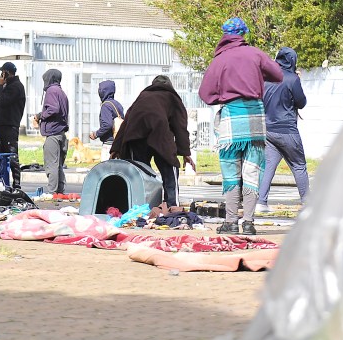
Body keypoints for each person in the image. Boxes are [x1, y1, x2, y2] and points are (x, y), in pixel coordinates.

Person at [199, 17, 283, 236]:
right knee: (252, 170)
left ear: (225, 35)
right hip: (255, 117)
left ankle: (230, 222)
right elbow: (278, 75)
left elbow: (205, 94)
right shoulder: (255, 54)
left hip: (231, 119)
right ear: (243, 34)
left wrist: (223, 96)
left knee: (231, 171)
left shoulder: (220, 59)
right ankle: (248, 223)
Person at [110, 75, 196, 207]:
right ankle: (172, 205)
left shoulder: (142, 96)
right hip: (160, 134)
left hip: (136, 136)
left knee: (139, 174)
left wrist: (116, 148)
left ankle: (139, 206)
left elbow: (126, 122)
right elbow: (180, 127)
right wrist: (185, 153)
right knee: (170, 170)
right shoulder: (172, 97)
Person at [258, 47, 309, 212]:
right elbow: (301, 102)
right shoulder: (292, 79)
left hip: (268, 130)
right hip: (287, 130)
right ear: (293, 61)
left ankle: (261, 202)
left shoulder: (265, 78)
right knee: (299, 165)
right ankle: (308, 204)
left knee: (269, 166)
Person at [0, 61, 26, 189]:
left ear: (7, 73)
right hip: (1, 125)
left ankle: (16, 184)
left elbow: (4, 101)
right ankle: (2, 181)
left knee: (11, 155)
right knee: (1, 155)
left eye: (3, 72)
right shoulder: (8, 86)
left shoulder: (16, 86)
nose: (1, 75)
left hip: (9, 126)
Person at [34, 69, 69, 194]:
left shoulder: (51, 90)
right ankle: (59, 192)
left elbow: (53, 109)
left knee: (51, 165)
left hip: (53, 133)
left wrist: (41, 116)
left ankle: (52, 192)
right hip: (61, 133)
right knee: (58, 165)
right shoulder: (61, 92)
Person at [90, 80, 124, 162]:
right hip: (118, 142)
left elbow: (107, 125)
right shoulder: (118, 104)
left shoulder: (106, 106)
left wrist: (96, 134)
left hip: (109, 144)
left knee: (106, 168)